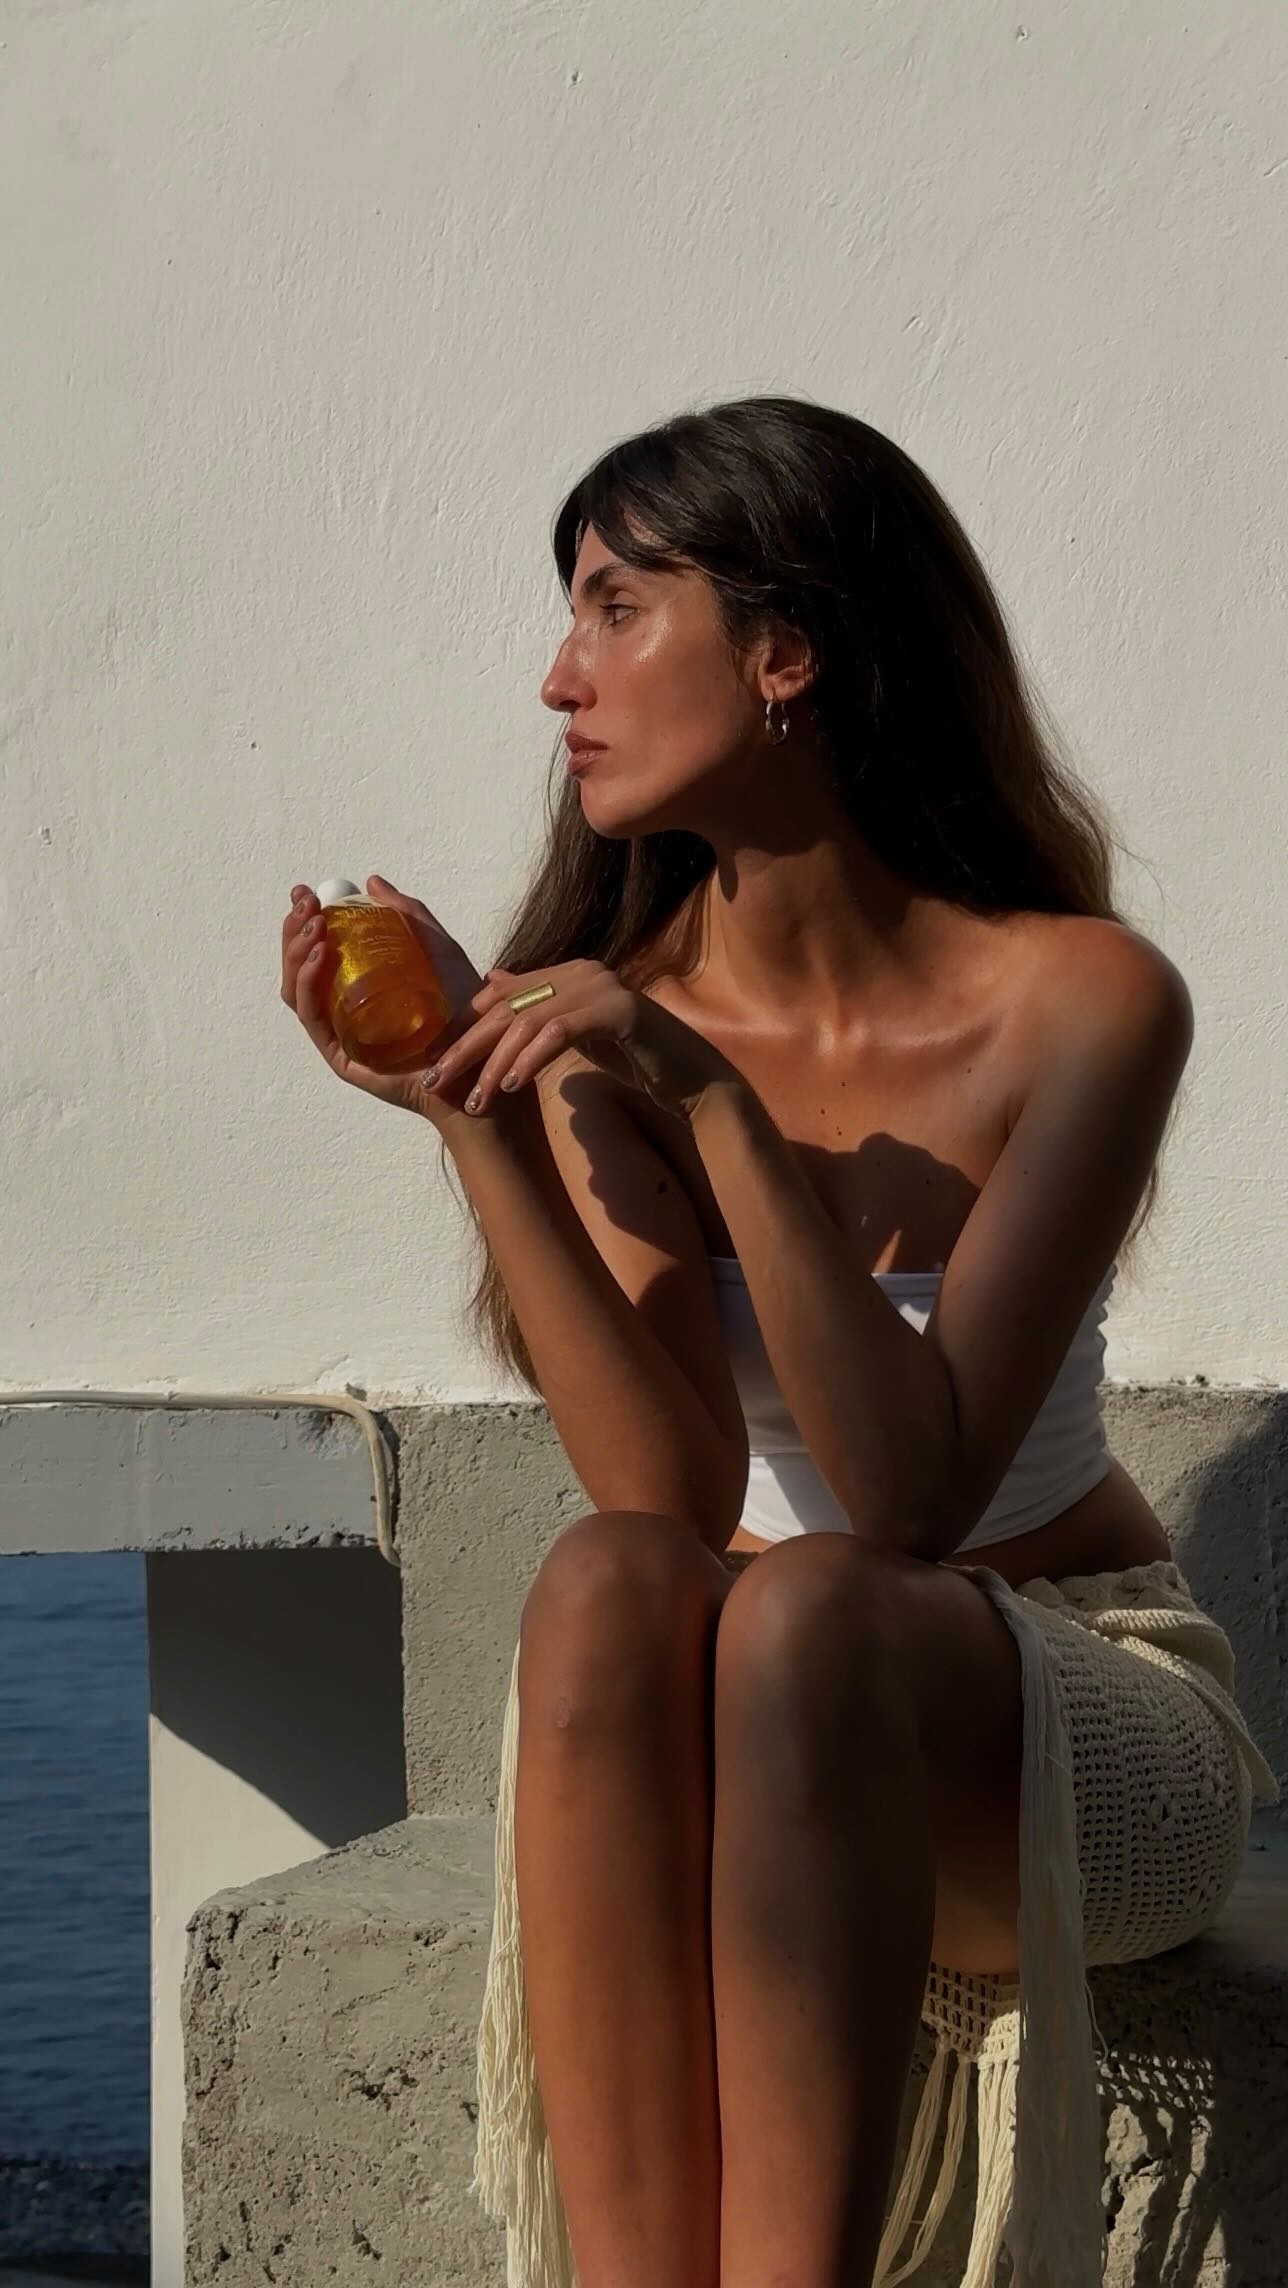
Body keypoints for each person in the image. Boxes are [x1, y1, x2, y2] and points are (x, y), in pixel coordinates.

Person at [281, 395, 1275, 2288]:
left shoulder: (1080, 1002)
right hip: (757, 1719)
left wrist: (721, 1113)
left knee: (815, 1599)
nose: (558, 679)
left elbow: (907, 1499)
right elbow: (667, 1492)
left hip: (1063, 1721)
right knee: (602, 1583)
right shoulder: (607, 1025)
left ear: (786, 652)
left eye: (613, 606)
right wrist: (471, 1113)